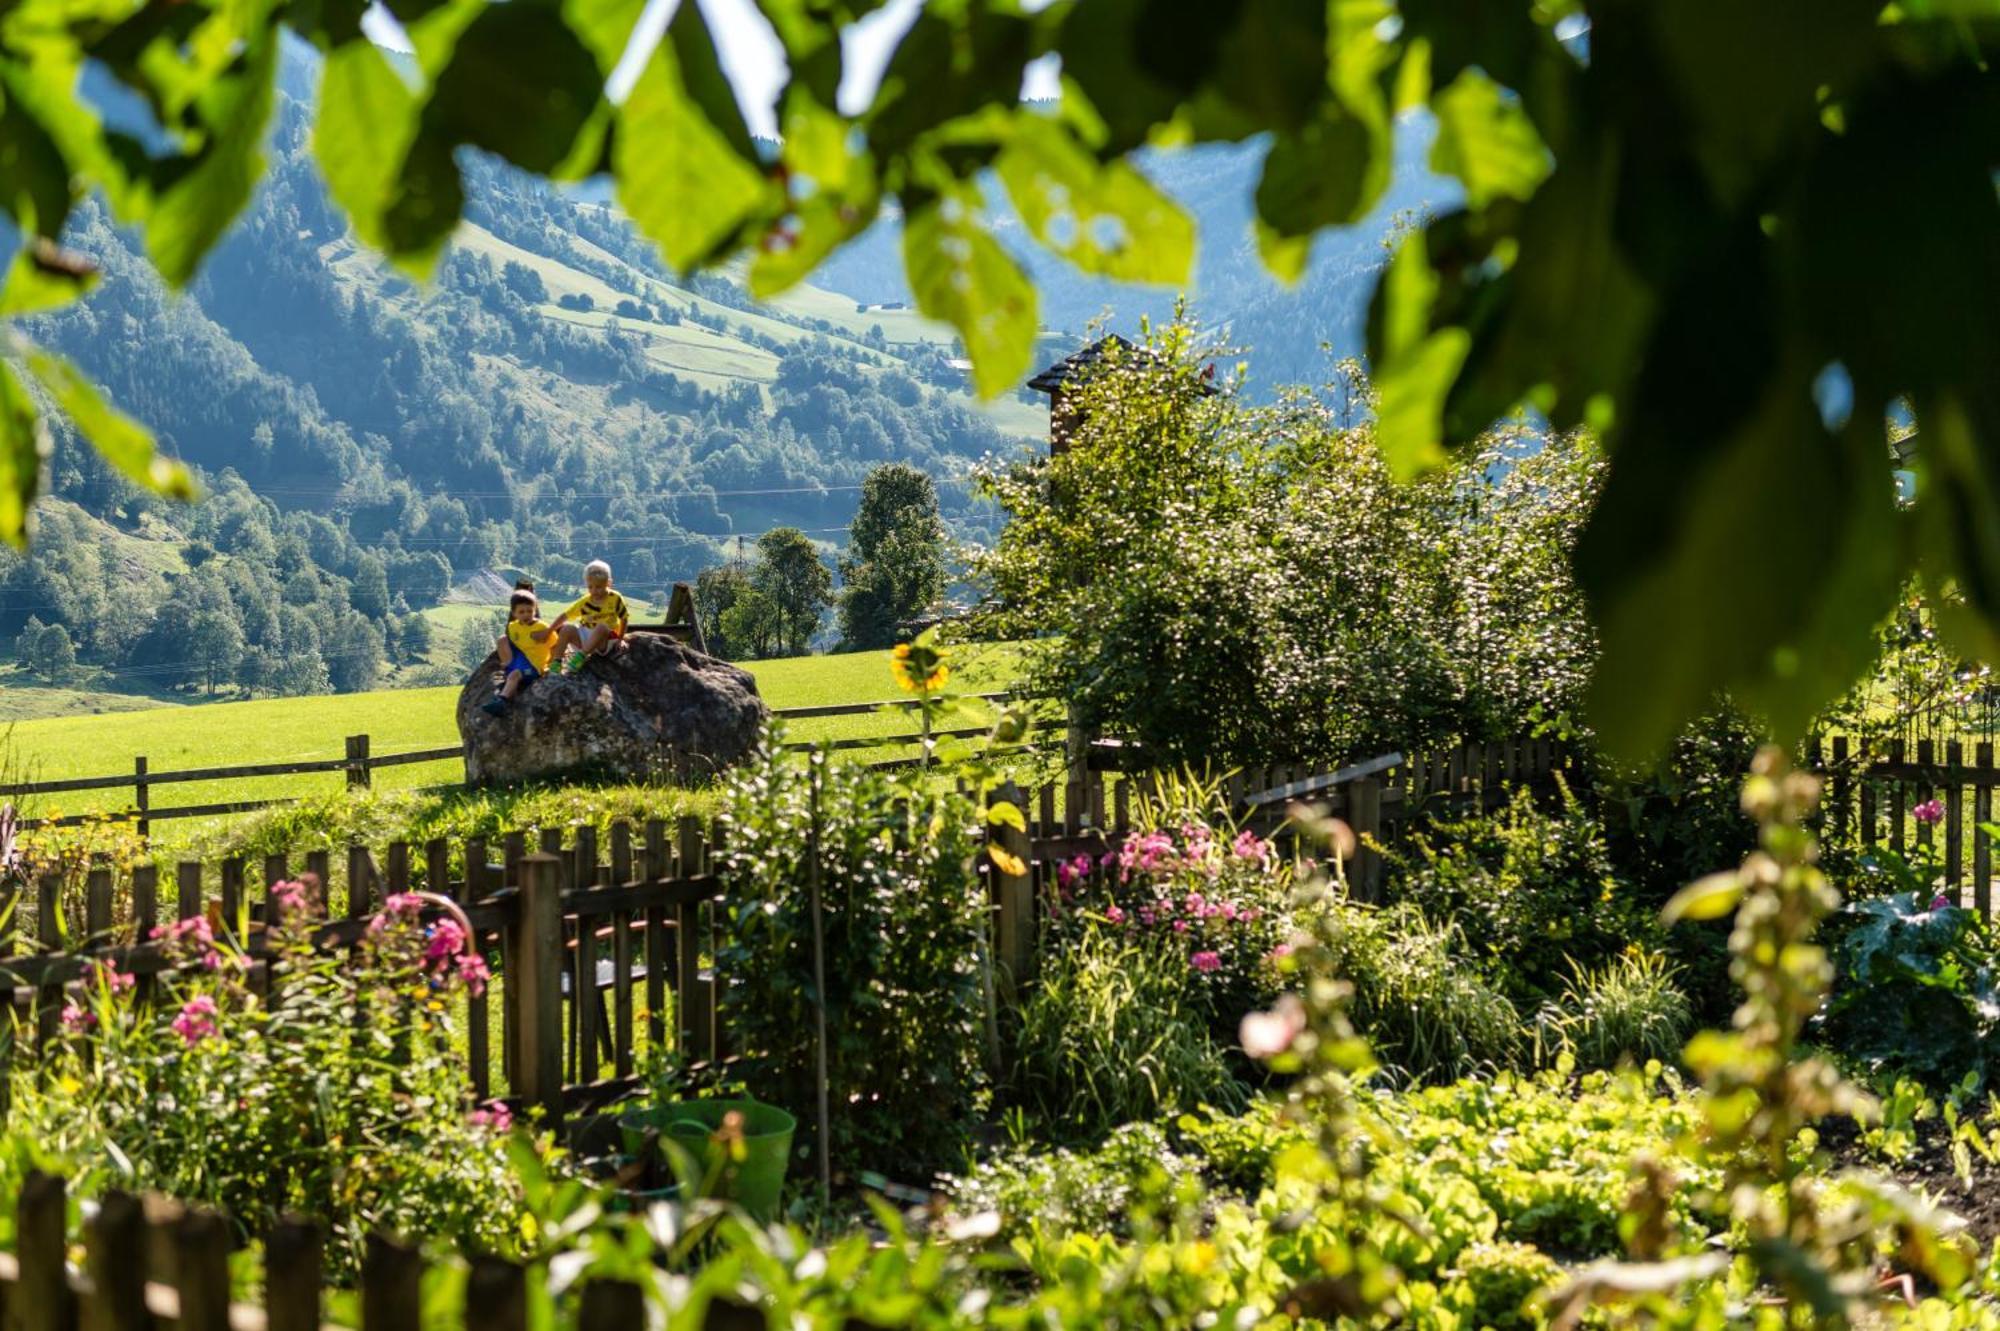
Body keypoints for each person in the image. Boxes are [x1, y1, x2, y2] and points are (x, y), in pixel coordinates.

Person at [481, 581, 555, 716]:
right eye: (521, 612)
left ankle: (502, 702)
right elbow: (515, 643)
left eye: (529, 611)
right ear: (514, 613)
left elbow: (555, 645)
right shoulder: (513, 627)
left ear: (535, 610)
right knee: (503, 639)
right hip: (520, 660)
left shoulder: (542, 627)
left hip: (534, 666)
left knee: (515, 675)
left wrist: (550, 665)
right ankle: (508, 667)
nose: (526, 614)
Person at [552, 559, 630, 674]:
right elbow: (565, 615)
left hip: (603, 641)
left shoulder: (615, 598)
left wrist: (621, 638)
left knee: (602, 626)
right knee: (567, 628)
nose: (594, 591)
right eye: (590, 587)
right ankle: (556, 662)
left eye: (598, 587)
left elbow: (624, 618)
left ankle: (579, 658)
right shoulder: (585, 601)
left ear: (608, 583)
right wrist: (549, 630)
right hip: (585, 638)